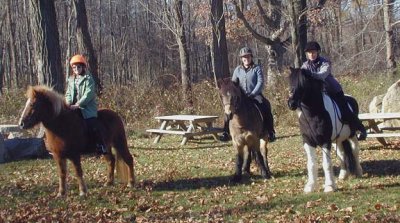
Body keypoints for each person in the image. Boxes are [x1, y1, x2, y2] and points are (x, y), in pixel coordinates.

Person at [301, 41, 367, 140]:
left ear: (317, 52)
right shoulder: (305, 65)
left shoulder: (325, 62)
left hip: (332, 90)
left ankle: (360, 128)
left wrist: (310, 75)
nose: (312, 54)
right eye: (309, 52)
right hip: (317, 93)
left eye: (313, 52)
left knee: (344, 109)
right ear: (307, 54)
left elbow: (322, 75)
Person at [220, 46, 276, 142]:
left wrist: (253, 93)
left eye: (248, 57)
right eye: (244, 57)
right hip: (241, 97)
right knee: (228, 109)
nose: (246, 59)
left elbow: (260, 82)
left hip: (255, 95)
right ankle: (225, 132)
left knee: (266, 105)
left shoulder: (257, 68)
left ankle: (270, 131)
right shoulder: (237, 70)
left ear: (251, 57)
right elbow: (233, 84)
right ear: (241, 59)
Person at [65, 54, 108, 155]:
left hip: (86, 108)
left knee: (92, 124)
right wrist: (68, 103)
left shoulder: (89, 79)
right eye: (74, 67)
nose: (76, 69)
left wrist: (78, 104)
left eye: (78, 67)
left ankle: (100, 145)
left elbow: (88, 94)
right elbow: (68, 93)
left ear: (83, 67)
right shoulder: (71, 80)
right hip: (72, 107)